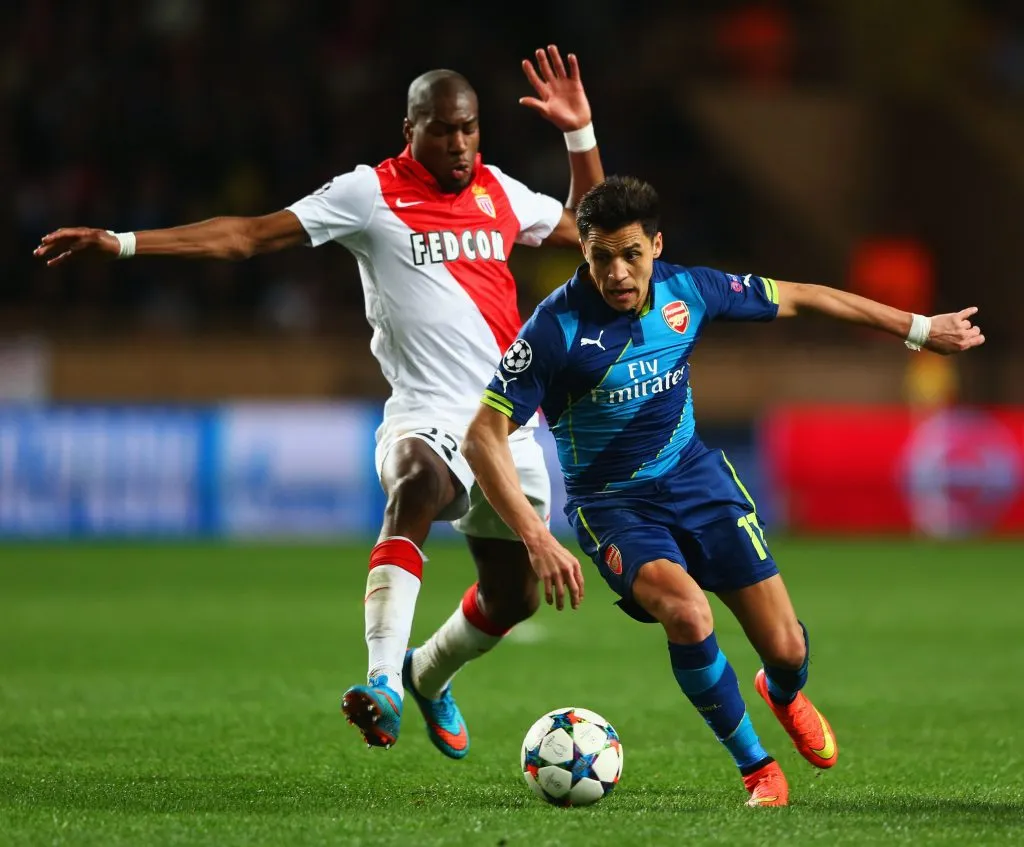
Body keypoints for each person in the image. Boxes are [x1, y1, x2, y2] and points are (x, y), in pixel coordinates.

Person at [34, 46, 605, 758]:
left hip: (506, 421)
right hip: (423, 412)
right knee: (414, 482)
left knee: (513, 598)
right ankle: (382, 685)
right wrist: (121, 243)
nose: (459, 144)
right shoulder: (368, 193)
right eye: (442, 130)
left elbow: (593, 232)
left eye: (469, 129)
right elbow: (246, 235)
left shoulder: (499, 191)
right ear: (410, 129)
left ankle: (425, 674)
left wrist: (579, 133)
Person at [461, 175, 985, 806]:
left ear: (657, 245)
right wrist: (536, 537)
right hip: (615, 507)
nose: (618, 273)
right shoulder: (554, 329)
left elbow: (806, 296)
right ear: (584, 254)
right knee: (687, 613)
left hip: (698, 483)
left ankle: (783, 690)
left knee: (787, 648)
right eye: (601, 257)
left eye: (632, 254)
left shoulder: (691, 289)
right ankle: (757, 768)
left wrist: (922, 329)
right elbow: (483, 437)